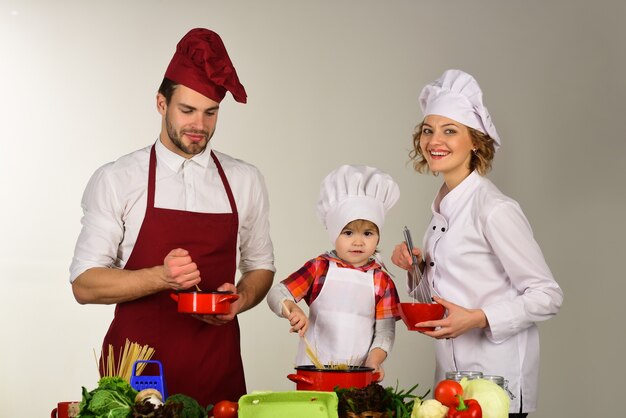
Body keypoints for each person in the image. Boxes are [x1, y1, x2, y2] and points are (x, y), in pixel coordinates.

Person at [69, 28, 275, 407]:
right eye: (187, 110)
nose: (199, 125)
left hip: (218, 367)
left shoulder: (244, 180)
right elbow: (84, 284)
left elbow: (261, 266)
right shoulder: (118, 178)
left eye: (210, 112)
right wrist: (162, 277)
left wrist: (242, 298)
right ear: (161, 104)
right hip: (137, 371)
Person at [391, 69, 563, 417]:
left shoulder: (494, 209)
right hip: (453, 383)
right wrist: (417, 269)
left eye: (449, 131)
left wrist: (480, 318)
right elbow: (443, 298)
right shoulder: (444, 206)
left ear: (475, 141)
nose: (434, 140)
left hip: (498, 383)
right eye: (428, 130)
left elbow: (547, 295)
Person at [267, 165, 401, 380]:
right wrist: (292, 309)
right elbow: (277, 294)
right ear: (333, 233)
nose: (358, 241)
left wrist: (374, 361)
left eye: (368, 233)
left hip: (358, 374)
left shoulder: (381, 280)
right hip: (314, 372)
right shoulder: (319, 268)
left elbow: (385, 333)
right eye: (348, 232)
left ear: (378, 237)